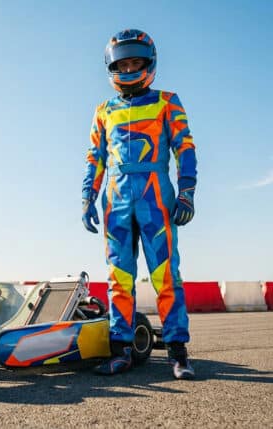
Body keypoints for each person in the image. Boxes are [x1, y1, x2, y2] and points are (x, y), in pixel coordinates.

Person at [81, 29, 197, 379]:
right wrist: (87, 197)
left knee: (165, 275)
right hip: (114, 199)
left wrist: (187, 191)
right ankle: (121, 350)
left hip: (155, 195)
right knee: (119, 276)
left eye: (136, 62)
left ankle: (178, 353)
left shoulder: (167, 101)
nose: (129, 68)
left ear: (149, 64)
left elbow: (185, 149)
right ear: (112, 67)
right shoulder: (104, 111)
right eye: (123, 63)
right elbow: (94, 157)